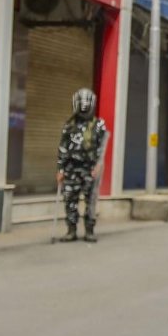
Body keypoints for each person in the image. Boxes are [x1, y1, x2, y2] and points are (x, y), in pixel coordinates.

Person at [56, 88, 108, 243]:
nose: (84, 106)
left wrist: (98, 166)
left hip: (90, 170)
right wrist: (60, 169)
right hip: (71, 169)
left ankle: (89, 231)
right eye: (81, 103)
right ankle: (71, 231)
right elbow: (62, 148)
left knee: (90, 201)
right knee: (70, 200)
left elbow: (102, 147)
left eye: (87, 103)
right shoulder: (69, 125)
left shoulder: (99, 125)